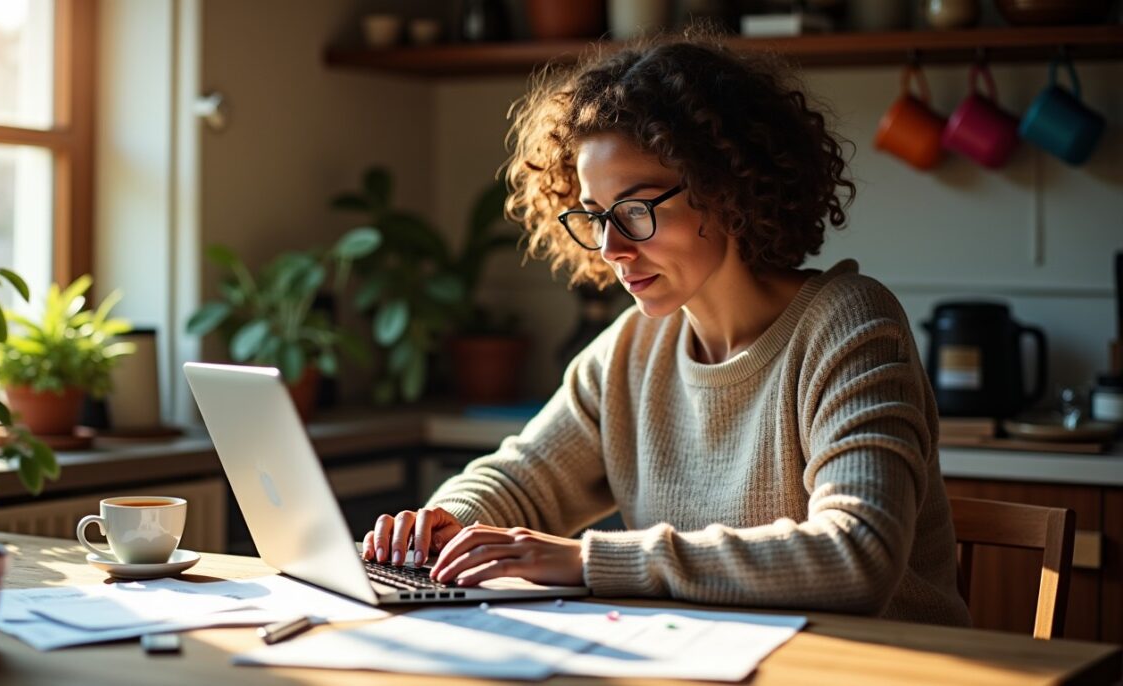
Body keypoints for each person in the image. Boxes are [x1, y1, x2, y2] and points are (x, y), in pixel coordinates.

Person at [361, 29, 970, 626]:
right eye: (596, 217)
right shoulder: (632, 349)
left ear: (728, 190)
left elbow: (856, 555)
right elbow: (521, 478)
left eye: (634, 209)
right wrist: (445, 522)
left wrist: (586, 560)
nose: (610, 248)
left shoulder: (849, 324)